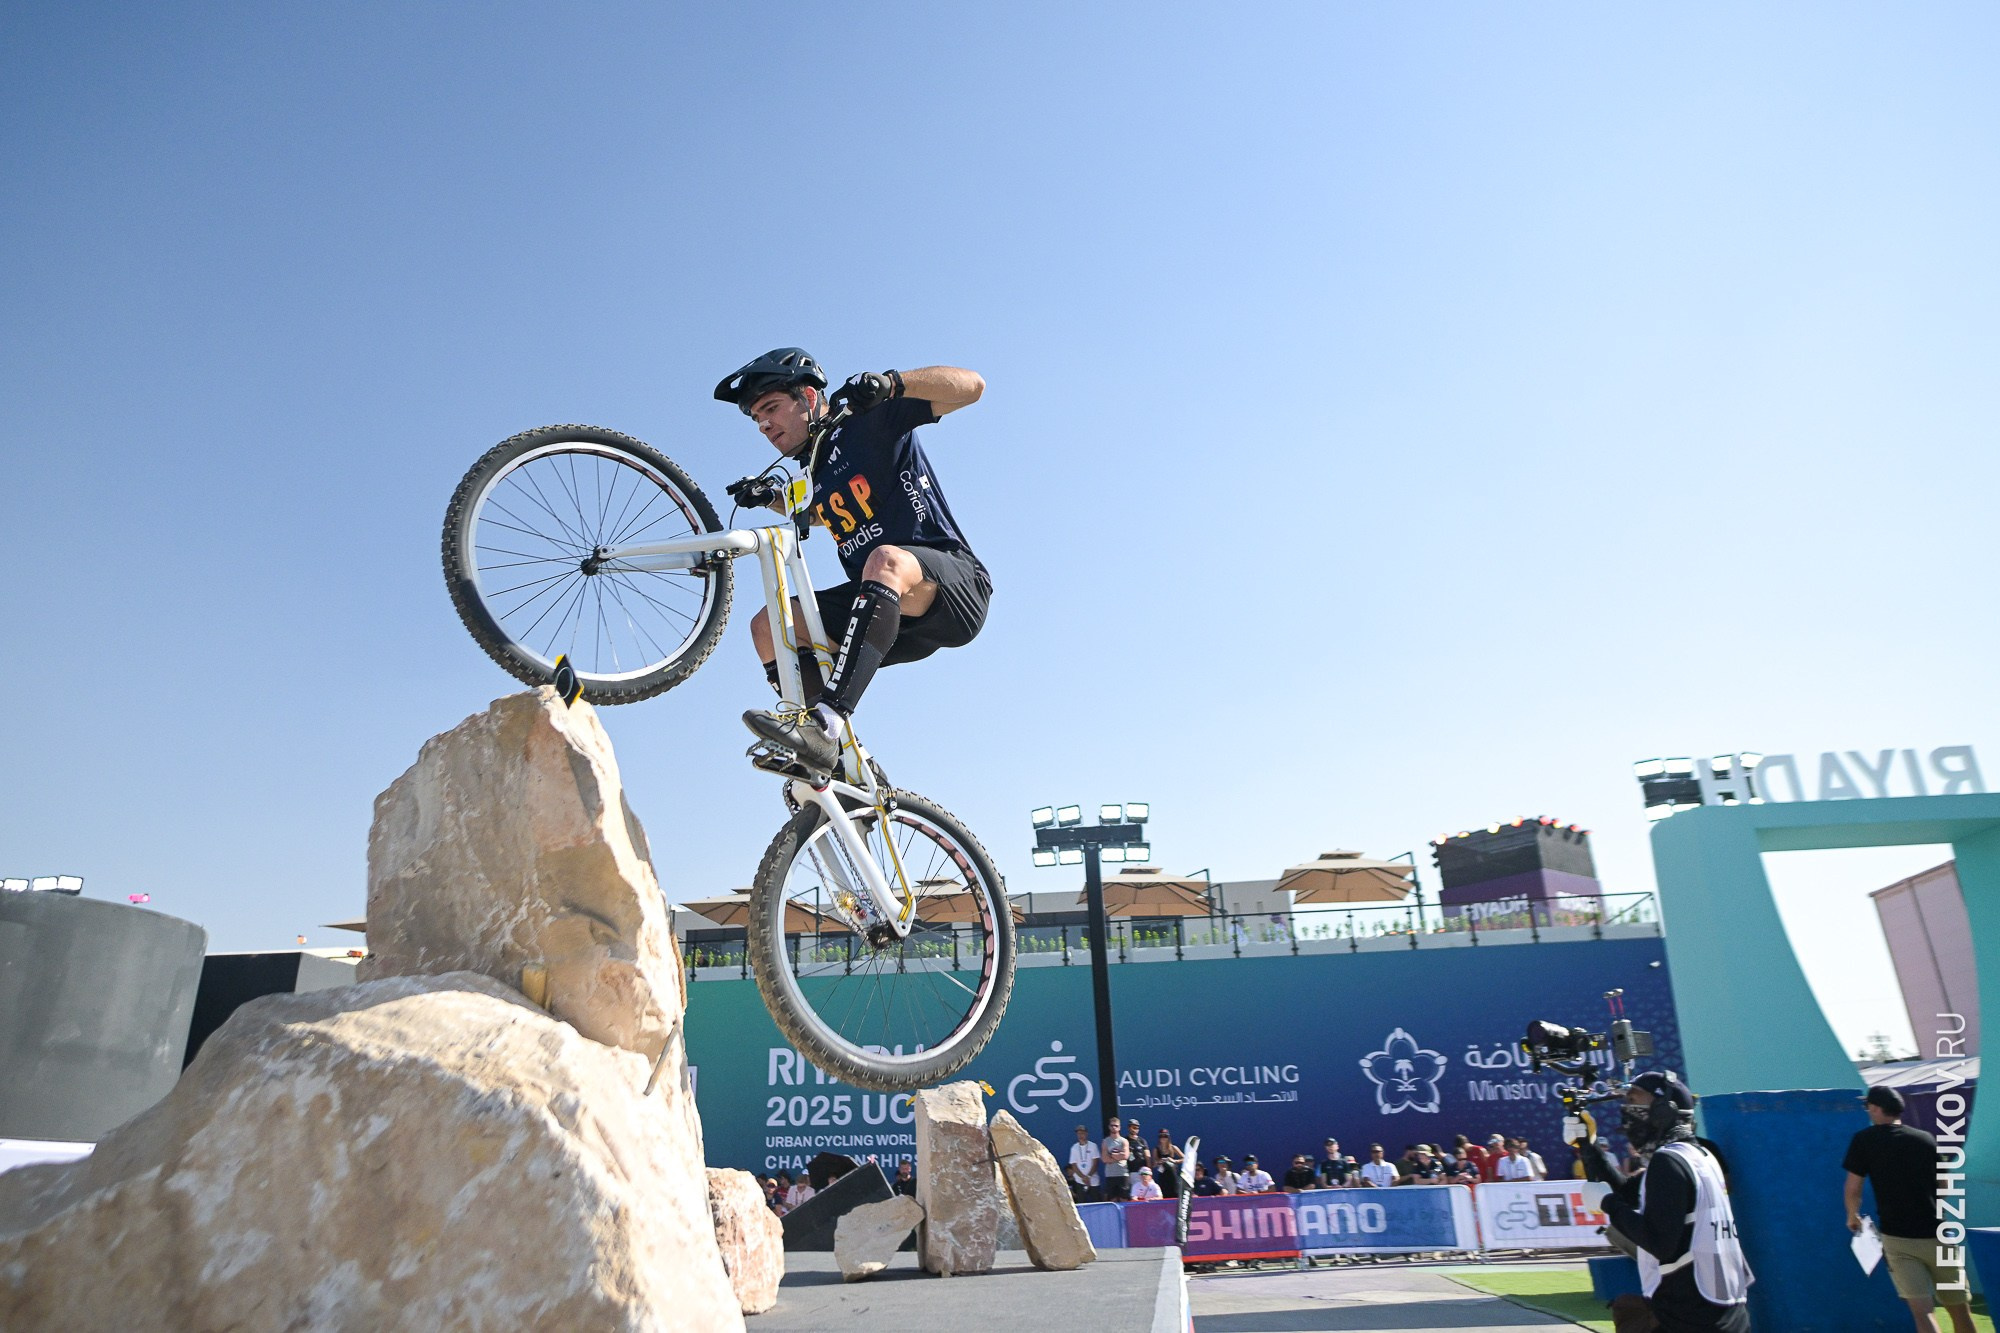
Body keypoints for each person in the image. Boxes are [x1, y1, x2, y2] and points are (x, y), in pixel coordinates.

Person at [714, 349, 991, 776]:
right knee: (769, 625)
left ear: (808, 396)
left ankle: (826, 723)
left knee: (883, 560)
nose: (764, 425)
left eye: (771, 408)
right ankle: (836, 758)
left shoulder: (869, 417)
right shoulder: (816, 466)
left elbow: (972, 386)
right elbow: (823, 513)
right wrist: (769, 498)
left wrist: (893, 384)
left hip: (954, 589)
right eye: (756, 419)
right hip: (891, 615)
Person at [1581, 1071, 1753, 1332]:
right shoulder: (1699, 1154)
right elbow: (1629, 1192)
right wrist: (1588, 1144)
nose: (1627, 1110)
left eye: (1634, 1099)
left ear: (1664, 1110)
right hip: (1721, 1311)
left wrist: (1608, 1204)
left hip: (1690, 1316)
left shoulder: (1669, 1162)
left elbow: (1658, 1242)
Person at [1846, 1086, 1968, 1333]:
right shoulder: (1925, 1139)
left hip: (1899, 1239)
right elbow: (1943, 1185)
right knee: (1959, 1310)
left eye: (1868, 1105)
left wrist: (1852, 1215)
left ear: (1876, 1108)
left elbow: (1853, 1187)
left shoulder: (1864, 1140)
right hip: (1938, 1234)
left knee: (1922, 1312)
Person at [1067, 1124, 1103, 1203]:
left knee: (1097, 1201)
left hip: (1093, 1180)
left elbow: (1095, 1163)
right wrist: (1083, 1177)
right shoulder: (1074, 1148)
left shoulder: (1093, 1146)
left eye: (1082, 1133)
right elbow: (1074, 1165)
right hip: (1080, 1180)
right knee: (1081, 1202)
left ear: (1086, 1134)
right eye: (1078, 1133)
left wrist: (1089, 1176)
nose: (1080, 1135)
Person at [1101, 1116, 1132, 1202]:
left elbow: (1125, 1156)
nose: (1114, 1127)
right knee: (1112, 1199)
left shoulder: (1124, 1141)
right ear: (1109, 1127)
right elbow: (1104, 1159)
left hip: (1122, 1173)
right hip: (1110, 1174)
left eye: (1116, 1126)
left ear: (1119, 1127)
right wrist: (1118, 1157)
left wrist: (1111, 1155)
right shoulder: (1105, 1141)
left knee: (1124, 1199)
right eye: (1112, 1125)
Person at [1154, 1128, 1185, 1198]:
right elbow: (1154, 1164)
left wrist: (1174, 1161)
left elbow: (1185, 1158)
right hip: (1163, 1175)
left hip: (1172, 1175)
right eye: (1161, 1136)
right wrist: (1159, 1162)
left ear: (1168, 1137)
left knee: (1175, 1193)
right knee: (1164, 1193)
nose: (1163, 1138)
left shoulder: (1173, 1148)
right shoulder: (1156, 1149)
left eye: (1165, 1136)